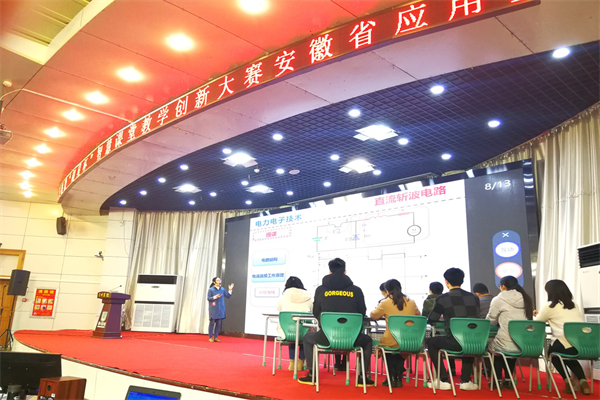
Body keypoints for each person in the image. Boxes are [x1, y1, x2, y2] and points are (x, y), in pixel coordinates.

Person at [298, 258, 374, 386]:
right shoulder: (356, 290)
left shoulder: (321, 290)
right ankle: (362, 378)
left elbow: (316, 312)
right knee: (367, 341)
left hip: (327, 337)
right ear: (345, 271)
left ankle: (311, 375)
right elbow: (362, 312)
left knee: (307, 338)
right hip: (352, 338)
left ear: (330, 271)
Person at [427, 268, 480, 391]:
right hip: (475, 342)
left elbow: (432, 319)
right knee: (469, 337)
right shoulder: (474, 297)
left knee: (432, 342)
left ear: (446, 281)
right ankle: (466, 381)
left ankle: (443, 380)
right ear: (462, 280)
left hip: (454, 342)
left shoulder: (442, 298)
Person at [535, 280, 590, 395]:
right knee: (569, 357)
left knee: (553, 354)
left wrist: (537, 314)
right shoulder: (574, 305)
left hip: (565, 342)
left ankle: (568, 382)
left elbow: (538, 322)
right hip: (582, 344)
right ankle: (583, 382)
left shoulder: (549, 306)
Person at [370, 279, 420, 388]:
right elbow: (418, 315)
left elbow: (373, 316)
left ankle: (391, 377)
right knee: (400, 350)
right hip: (409, 340)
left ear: (387, 291)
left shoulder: (385, 303)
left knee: (387, 348)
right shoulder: (411, 302)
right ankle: (398, 376)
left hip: (391, 339)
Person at [486, 275, 533, 388]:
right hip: (523, 342)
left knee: (494, 349)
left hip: (505, 342)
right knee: (511, 348)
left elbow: (490, 321)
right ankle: (508, 379)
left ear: (502, 286)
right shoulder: (526, 298)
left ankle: (497, 380)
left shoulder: (498, 299)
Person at [277, 276, 313, 371]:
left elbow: (279, 310)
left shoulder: (283, 298)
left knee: (292, 332)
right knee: (304, 335)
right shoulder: (309, 299)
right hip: (304, 331)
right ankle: (300, 363)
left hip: (288, 332)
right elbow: (312, 312)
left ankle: (292, 363)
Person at [207, 277, 234, 342]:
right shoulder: (211, 290)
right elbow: (208, 298)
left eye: (220, 280)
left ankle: (216, 337)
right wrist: (215, 297)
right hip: (213, 309)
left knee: (218, 324)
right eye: (218, 280)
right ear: (214, 282)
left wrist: (230, 290)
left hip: (221, 309)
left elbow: (228, 296)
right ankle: (210, 337)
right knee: (212, 323)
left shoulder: (222, 289)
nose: (219, 281)